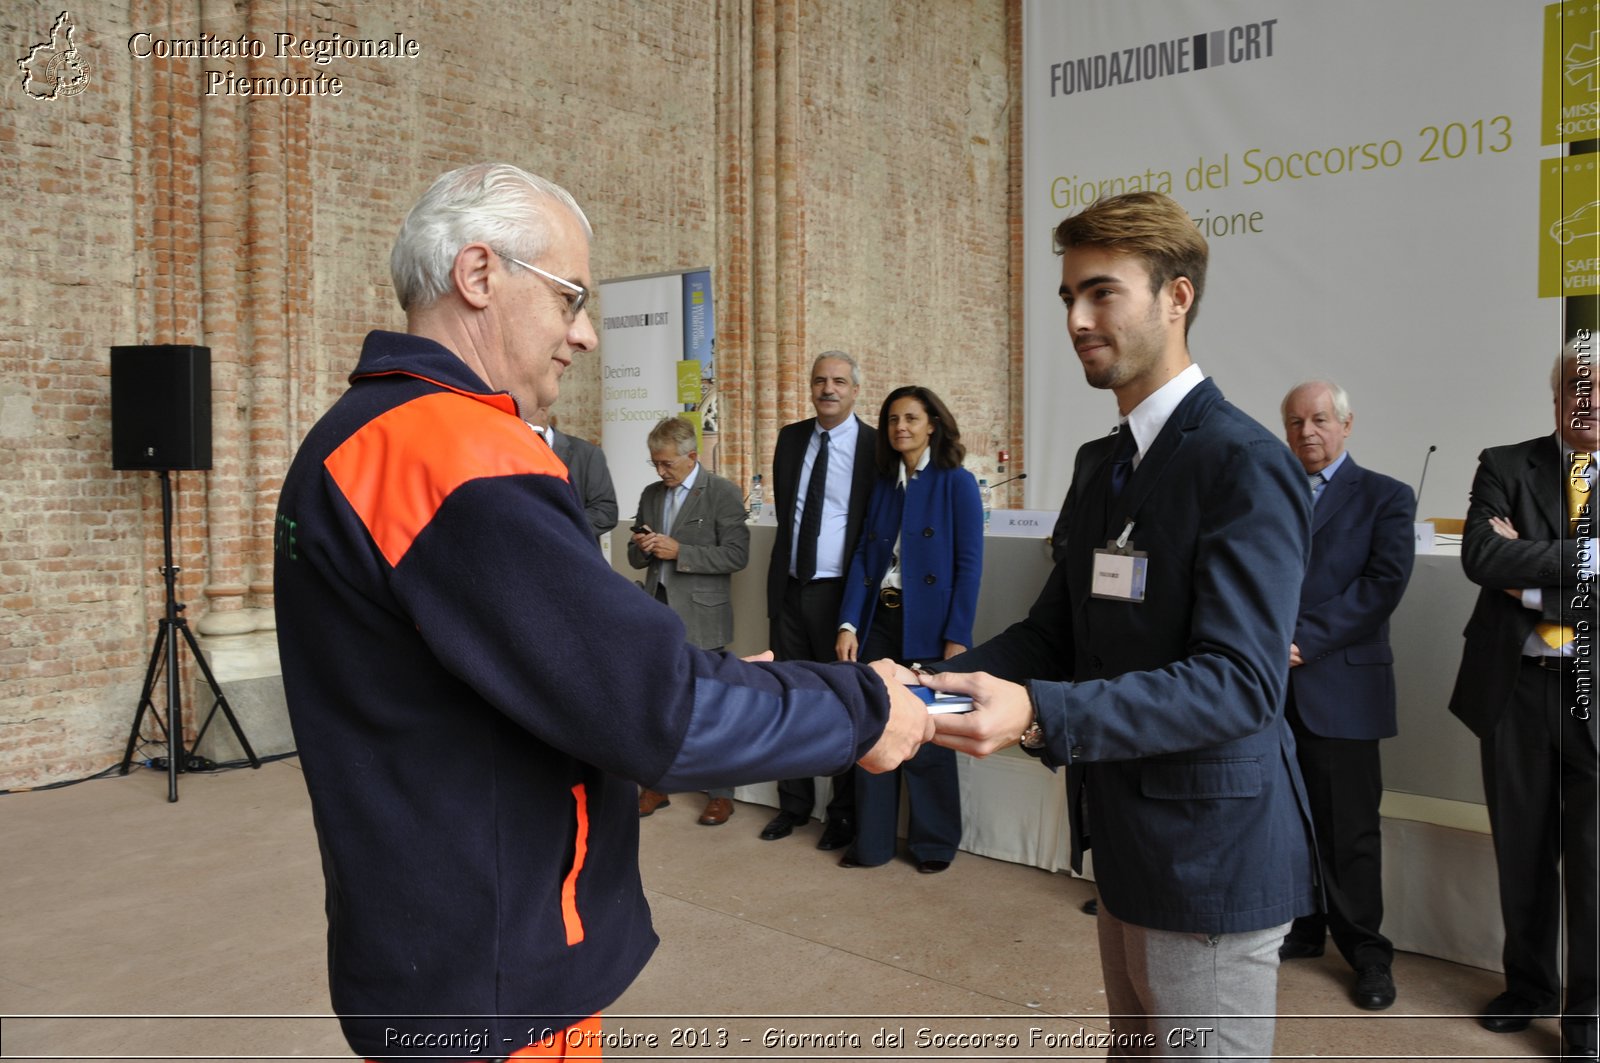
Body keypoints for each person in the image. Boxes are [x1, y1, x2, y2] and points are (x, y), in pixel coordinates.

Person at [273, 162, 930, 1062]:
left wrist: (724, 680)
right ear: (478, 276)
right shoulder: (458, 451)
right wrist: (864, 708)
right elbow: (652, 705)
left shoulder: (354, 434)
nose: (583, 334)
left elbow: (549, 667)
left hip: (426, 937)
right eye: (571, 297)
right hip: (496, 968)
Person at [918, 190, 1316, 1059]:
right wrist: (919, 690)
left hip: (1210, 854)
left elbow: (1242, 684)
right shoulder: (1106, 461)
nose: (1078, 318)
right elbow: (1052, 633)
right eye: (1069, 297)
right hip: (1128, 835)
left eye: (1102, 292)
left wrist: (1038, 712)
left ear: (1177, 297)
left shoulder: (1242, 463)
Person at [1447, 336, 1597, 1062]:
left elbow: (1506, 563)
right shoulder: (1504, 463)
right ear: (1556, 394)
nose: (1590, 398)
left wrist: (1529, 581)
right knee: (1523, 852)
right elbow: (1481, 556)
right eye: (1577, 384)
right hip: (1513, 692)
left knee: (1595, 863)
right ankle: (1529, 986)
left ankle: (1588, 1017)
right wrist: (1587, 561)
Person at [1275, 379, 1415, 1012]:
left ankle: (1366, 952)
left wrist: (1301, 643)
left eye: (1320, 420)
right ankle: (1303, 928)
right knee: (1287, 820)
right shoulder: (1267, 493)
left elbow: (1382, 586)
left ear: (1347, 425)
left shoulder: (1386, 496)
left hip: (1341, 685)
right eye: (1296, 422)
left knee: (1350, 832)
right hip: (1269, 690)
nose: (1307, 431)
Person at [834, 385, 983, 873]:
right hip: (880, 619)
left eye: (911, 418)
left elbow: (969, 566)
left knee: (930, 731)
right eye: (893, 419)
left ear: (932, 424)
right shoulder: (883, 484)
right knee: (875, 725)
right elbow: (862, 557)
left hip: (932, 626)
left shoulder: (956, 483)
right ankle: (872, 843)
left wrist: (957, 636)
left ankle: (934, 844)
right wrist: (849, 621)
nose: (901, 427)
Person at [758, 351, 879, 849]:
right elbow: (790, 514)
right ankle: (793, 806)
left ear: (854, 390)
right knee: (790, 697)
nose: (828, 389)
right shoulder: (790, 439)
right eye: (820, 381)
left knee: (840, 702)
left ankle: (842, 814)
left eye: (839, 382)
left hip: (839, 596)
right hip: (790, 588)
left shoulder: (874, 446)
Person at [628, 415, 750, 826]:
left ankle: (720, 794)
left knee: (710, 708)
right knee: (659, 706)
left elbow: (736, 556)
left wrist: (680, 550)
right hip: (656, 614)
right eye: (655, 464)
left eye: (667, 464)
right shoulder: (650, 494)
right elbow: (635, 558)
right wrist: (643, 546)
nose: (661, 472)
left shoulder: (722, 493)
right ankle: (657, 786)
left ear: (692, 456)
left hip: (703, 618)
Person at [529, 405, 617, 548]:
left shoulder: (587, 453)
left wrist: (560, 527)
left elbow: (606, 512)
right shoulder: (506, 455)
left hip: (575, 556)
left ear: (543, 411)